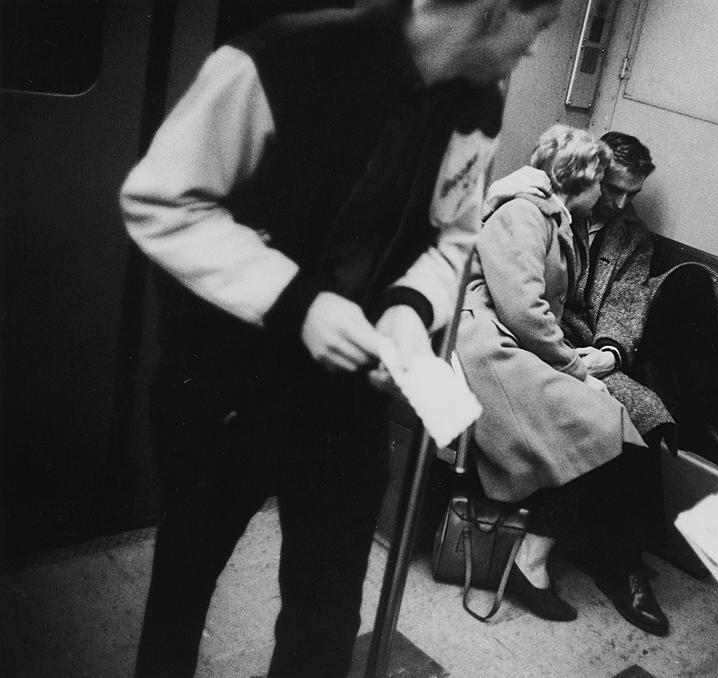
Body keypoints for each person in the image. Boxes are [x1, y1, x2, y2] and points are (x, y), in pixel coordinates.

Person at [119, 1, 562, 675]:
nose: (533, 50)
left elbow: (454, 233)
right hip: (225, 385)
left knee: (326, 615)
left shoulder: (477, 101)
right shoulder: (275, 62)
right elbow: (161, 199)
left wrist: (410, 309)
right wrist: (298, 303)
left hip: (344, 404)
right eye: (542, 24)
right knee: (183, 589)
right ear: (497, 9)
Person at [456, 124, 670, 635]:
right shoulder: (523, 213)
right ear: (583, 179)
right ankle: (532, 562)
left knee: (613, 427)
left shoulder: (548, 213)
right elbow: (525, 310)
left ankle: (542, 556)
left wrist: (592, 361)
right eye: (605, 187)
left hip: (513, 342)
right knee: (602, 423)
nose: (612, 204)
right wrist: (576, 369)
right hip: (487, 347)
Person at [485, 131, 718, 471]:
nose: (622, 204)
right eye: (613, 190)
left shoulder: (631, 231)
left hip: (600, 336)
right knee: (643, 416)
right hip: (559, 331)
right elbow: (527, 297)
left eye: (633, 193)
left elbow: (624, 300)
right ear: (594, 176)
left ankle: (699, 421)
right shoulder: (548, 207)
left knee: (694, 281)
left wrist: (610, 352)